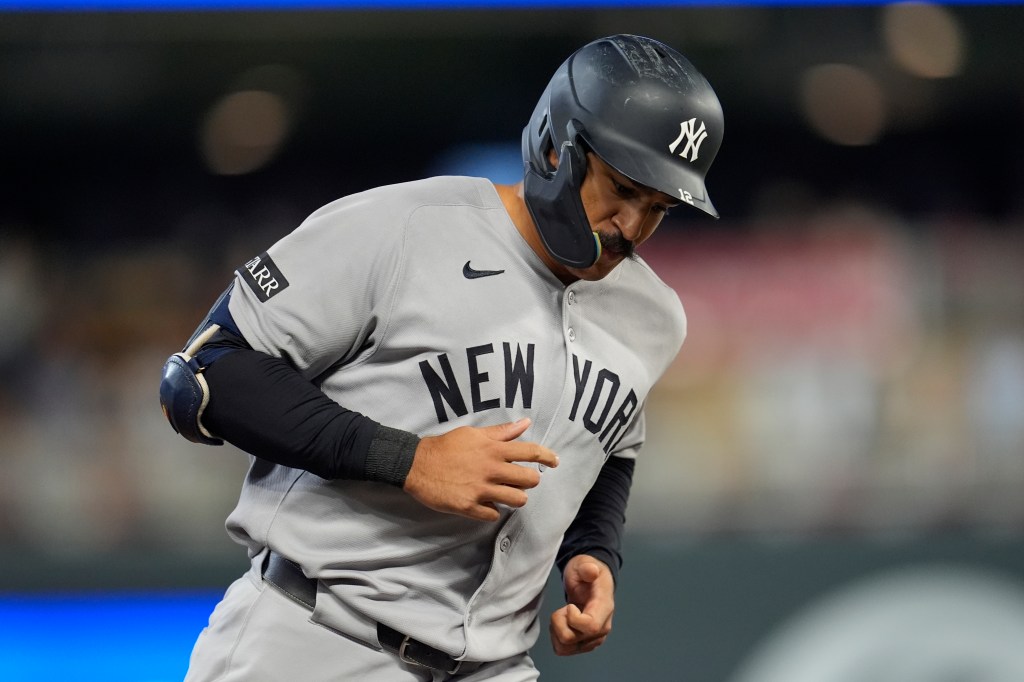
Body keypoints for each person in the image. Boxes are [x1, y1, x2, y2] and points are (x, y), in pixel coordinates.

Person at [160, 33, 723, 681]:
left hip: (494, 664)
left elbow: (611, 447)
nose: (632, 227)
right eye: (623, 189)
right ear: (553, 146)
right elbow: (202, 378)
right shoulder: (404, 228)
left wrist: (592, 550)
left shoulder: (655, 316)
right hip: (318, 639)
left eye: (659, 207)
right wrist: (411, 460)